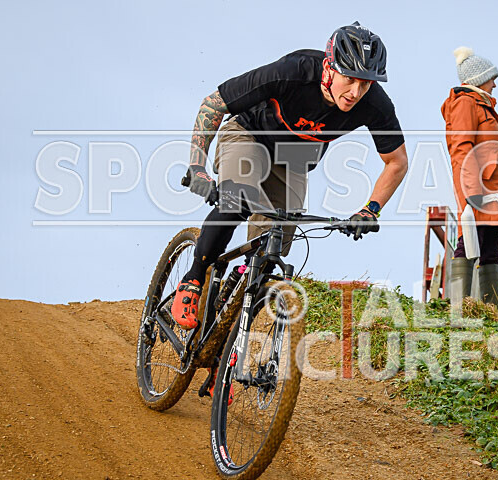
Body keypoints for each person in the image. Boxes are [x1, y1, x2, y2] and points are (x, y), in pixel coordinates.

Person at [171, 22, 408, 329]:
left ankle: (225, 333)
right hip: (249, 134)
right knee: (237, 200)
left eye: (365, 84)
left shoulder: (375, 104)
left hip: (294, 160)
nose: (355, 92)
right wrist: (197, 167)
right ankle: (193, 279)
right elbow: (213, 104)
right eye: (349, 79)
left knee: (273, 249)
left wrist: (369, 209)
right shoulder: (292, 72)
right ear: (329, 67)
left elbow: (396, 162)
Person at [442, 47, 498, 309]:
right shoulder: (466, 103)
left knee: (490, 248)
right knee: (470, 243)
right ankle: (457, 310)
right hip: (480, 191)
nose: (495, 83)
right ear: (478, 79)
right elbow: (461, 149)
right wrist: (471, 191)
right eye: (491, 77)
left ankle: (491, 314)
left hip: (492, 192)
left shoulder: (481, 103)